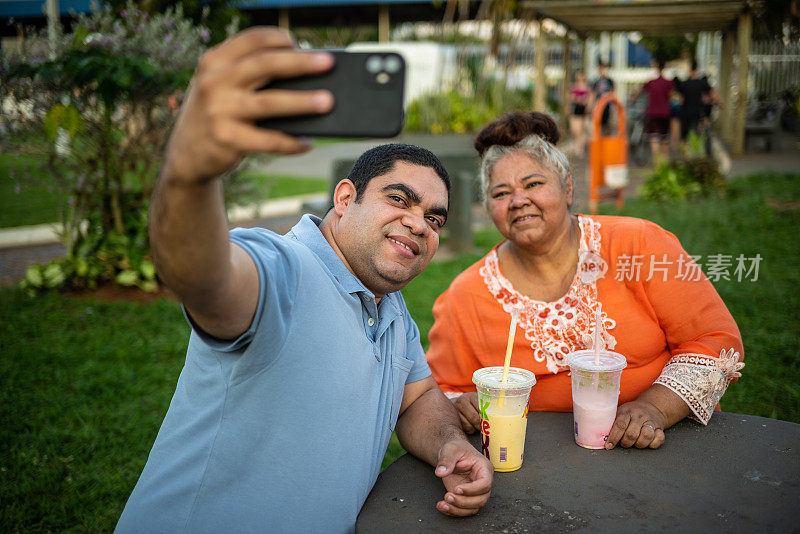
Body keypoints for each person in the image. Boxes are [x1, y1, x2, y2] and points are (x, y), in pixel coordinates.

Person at [115, 27, 493, 533]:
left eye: (435, 218)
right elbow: (204, 279)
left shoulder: (389, 305)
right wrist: (189, 176)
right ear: (343, 198)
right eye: (399, 200)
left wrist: (450, 443)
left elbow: (418, 398)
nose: (419, 224)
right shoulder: (284, 271)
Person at [425, 111, 744, 450]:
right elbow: (437, 391)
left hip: (669, 445)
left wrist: (654, 408)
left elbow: (713, 339)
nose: (518, 201)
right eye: (501, 193)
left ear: (567, 188)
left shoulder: (638, 244)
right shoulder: (466, 295)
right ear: (488, 208)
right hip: (536, 465)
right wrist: (460, 405)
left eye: (533, 184)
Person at [633, 59, 674, 164]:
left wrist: (633, 98)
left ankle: (656, 162)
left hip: (652, 113)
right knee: (664, 138)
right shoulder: (668, 83)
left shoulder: (651, 82)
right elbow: (672, 97)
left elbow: (638, 92)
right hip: (665, 113)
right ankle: (664, 162)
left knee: (653, 138)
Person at [568, 70, 591, 158]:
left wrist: (586, 102)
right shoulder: (573, 86)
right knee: (575, 130)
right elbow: (571, 97)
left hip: (583, 110)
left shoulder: (587, 87)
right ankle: (577, 145)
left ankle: (579, 148)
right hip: (575, 110)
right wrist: (577, 99)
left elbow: (589, 97)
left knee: (581, 130)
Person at [591, 62, 615, 133]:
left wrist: (613, 106)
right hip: (599, 106)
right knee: (599, 124)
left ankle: (606, 140)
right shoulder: (596, 81)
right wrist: (591, 106)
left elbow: (613, 93)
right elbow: (593, 94)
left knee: (607, 125)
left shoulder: (610, 81)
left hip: (607, 106)